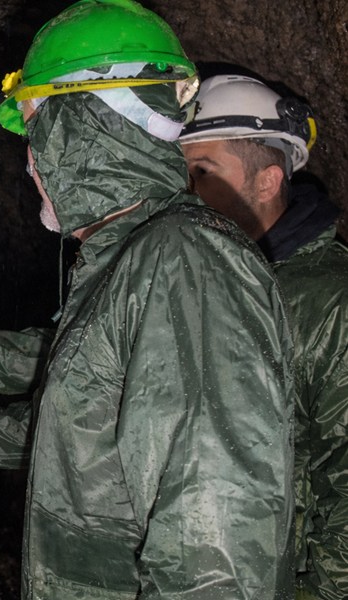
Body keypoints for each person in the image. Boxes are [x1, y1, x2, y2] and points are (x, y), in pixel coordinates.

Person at [0, 1, 296, 597]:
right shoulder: (134, 257)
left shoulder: (185, 261)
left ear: (86, 133)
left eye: (38, 133)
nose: (31, 164)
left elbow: (215, 537)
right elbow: (89, 431)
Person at [179, 73, 348, 600]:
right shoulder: (205, 276)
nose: (185, 194)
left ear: (268, 182)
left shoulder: (330, 302)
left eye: (202, 173)